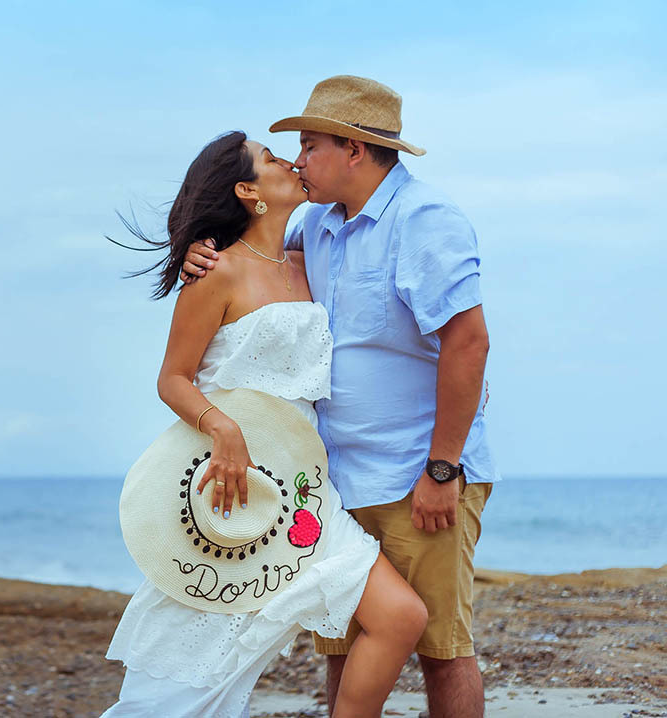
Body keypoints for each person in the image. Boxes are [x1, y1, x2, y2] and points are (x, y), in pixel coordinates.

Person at [180, 76, 500, 718]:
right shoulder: (314, 225)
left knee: (443, 649)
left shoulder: (425, 220)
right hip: (331, 483)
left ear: (354, 149)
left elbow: (469, 343)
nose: (298, 160)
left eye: (310, 145)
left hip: (415, 476)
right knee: (344, 647)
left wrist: (442, 469)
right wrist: (201, 251)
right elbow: (260, 265)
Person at [101, 130, 427, 718]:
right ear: (248, 191)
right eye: (272, 159)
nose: (293, 163)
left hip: (302, 488)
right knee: (190, 675)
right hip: (232, 487)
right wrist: (223, 429)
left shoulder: (308, 263)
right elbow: (173, 378)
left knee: (400, 617)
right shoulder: (217, 272)